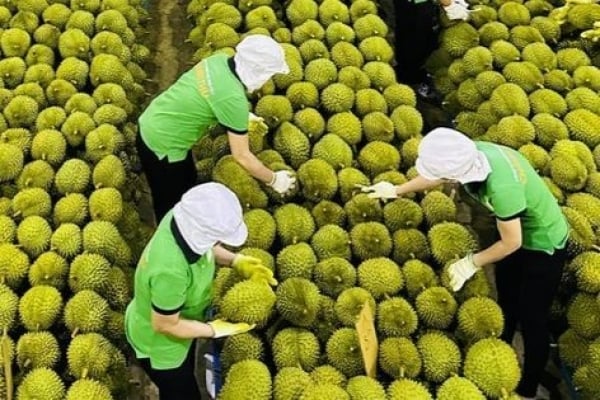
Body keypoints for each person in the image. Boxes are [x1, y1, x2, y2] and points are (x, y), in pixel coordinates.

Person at [358, 128, 569, 400]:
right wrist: (397, 190)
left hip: (543, 244)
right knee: (507, 296)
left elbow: (512, 243)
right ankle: (498, 344)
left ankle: (528, 390)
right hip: (514, 230)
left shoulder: (502, 188)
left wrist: (472, 262)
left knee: (533, 318)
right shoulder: (471, 151)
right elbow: (439, 174)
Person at [124, 182, 278, 400]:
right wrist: (212, 330)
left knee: (186, 367)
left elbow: (204, 244)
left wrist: (236, 260)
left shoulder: (179, 219)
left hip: (177, 322)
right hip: (161, 346)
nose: (219, 242)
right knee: (181, 391)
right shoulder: (170, 272)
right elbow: (164, 324)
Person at [136, 34, 296, 221]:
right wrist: (273, 179)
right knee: (170, 201)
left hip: (155, 118)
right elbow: (242, 156)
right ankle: (170, 235)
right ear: (258, 71)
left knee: (188, 177)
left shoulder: (218, 60)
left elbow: (211, 95)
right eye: (269, 74)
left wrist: (240, 117)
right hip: (162, 144)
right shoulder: (234, 99)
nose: (268, 79)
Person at [392, 0, 476, 99]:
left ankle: (413, 77)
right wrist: (449, 5)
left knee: (422, 41)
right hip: (414, 7)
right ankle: (410, 83)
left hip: (420, 6)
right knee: (413, 44)